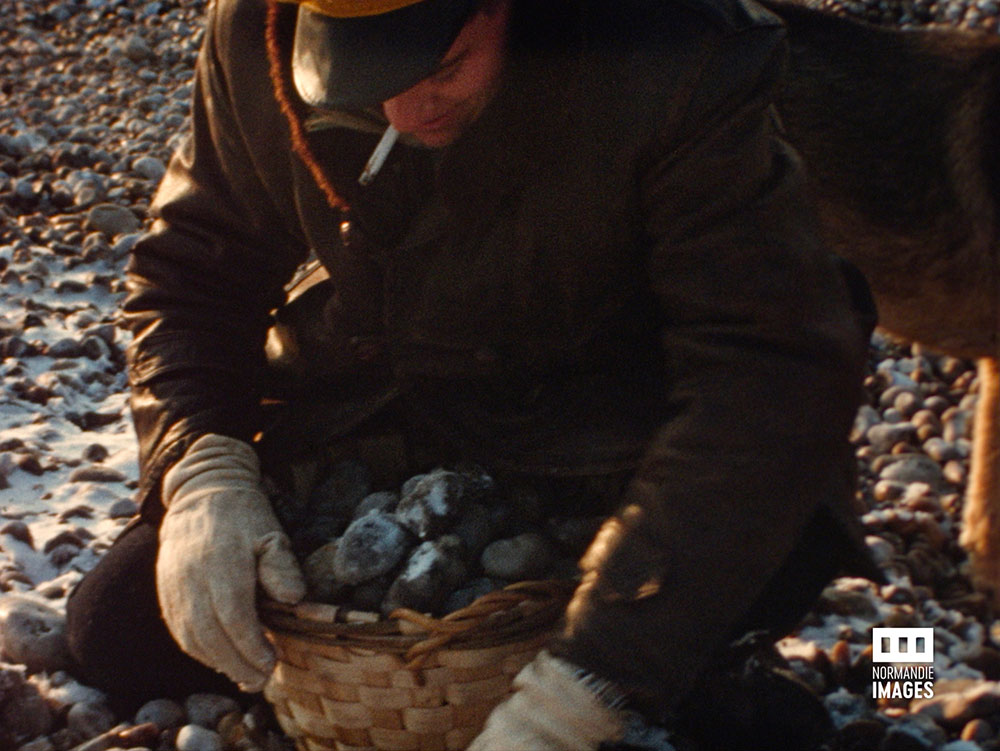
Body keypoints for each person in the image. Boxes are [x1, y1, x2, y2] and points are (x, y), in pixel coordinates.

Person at [66, 0, 881, 746]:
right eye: (359, 76)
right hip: (380, 411)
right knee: (114, 629)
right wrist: (202, 461)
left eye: (443, 65)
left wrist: (585, 685)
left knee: (769, 599)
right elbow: (193, 265)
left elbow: (768, 366)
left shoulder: (678, 54)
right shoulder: (260, 22)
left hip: (613, 439)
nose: (402, 110)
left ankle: (863, 668)